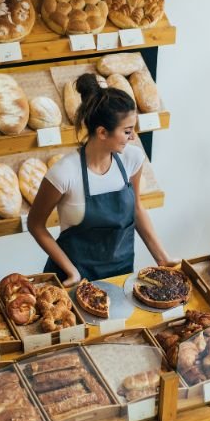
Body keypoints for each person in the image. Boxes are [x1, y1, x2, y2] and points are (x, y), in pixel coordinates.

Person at [28, 73, 177, 286]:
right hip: (74, 280)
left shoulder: (132, 159)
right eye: (127, 131)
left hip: (121, 275)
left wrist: (163, 257)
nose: (133, 137)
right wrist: (71, 271)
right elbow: (35, 224)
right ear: (102, 132)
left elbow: (136, 208)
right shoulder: (64, 173)